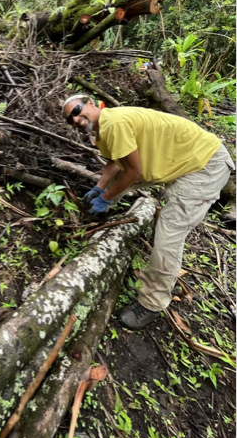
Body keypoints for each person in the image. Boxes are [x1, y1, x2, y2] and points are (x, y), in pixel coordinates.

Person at [60, 94, 233, 329]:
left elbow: (133, 173)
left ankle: (152, 303)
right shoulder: (104, 128)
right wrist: (99, 188)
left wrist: (106, 199)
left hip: (204, 164)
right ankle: (101, 212)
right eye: (71, 119)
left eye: (78, 110)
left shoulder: (114, 123)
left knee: (170, 231)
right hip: (185, 160)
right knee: (120, 190)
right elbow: (115, 163)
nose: (77, 119)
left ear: (91, 103)